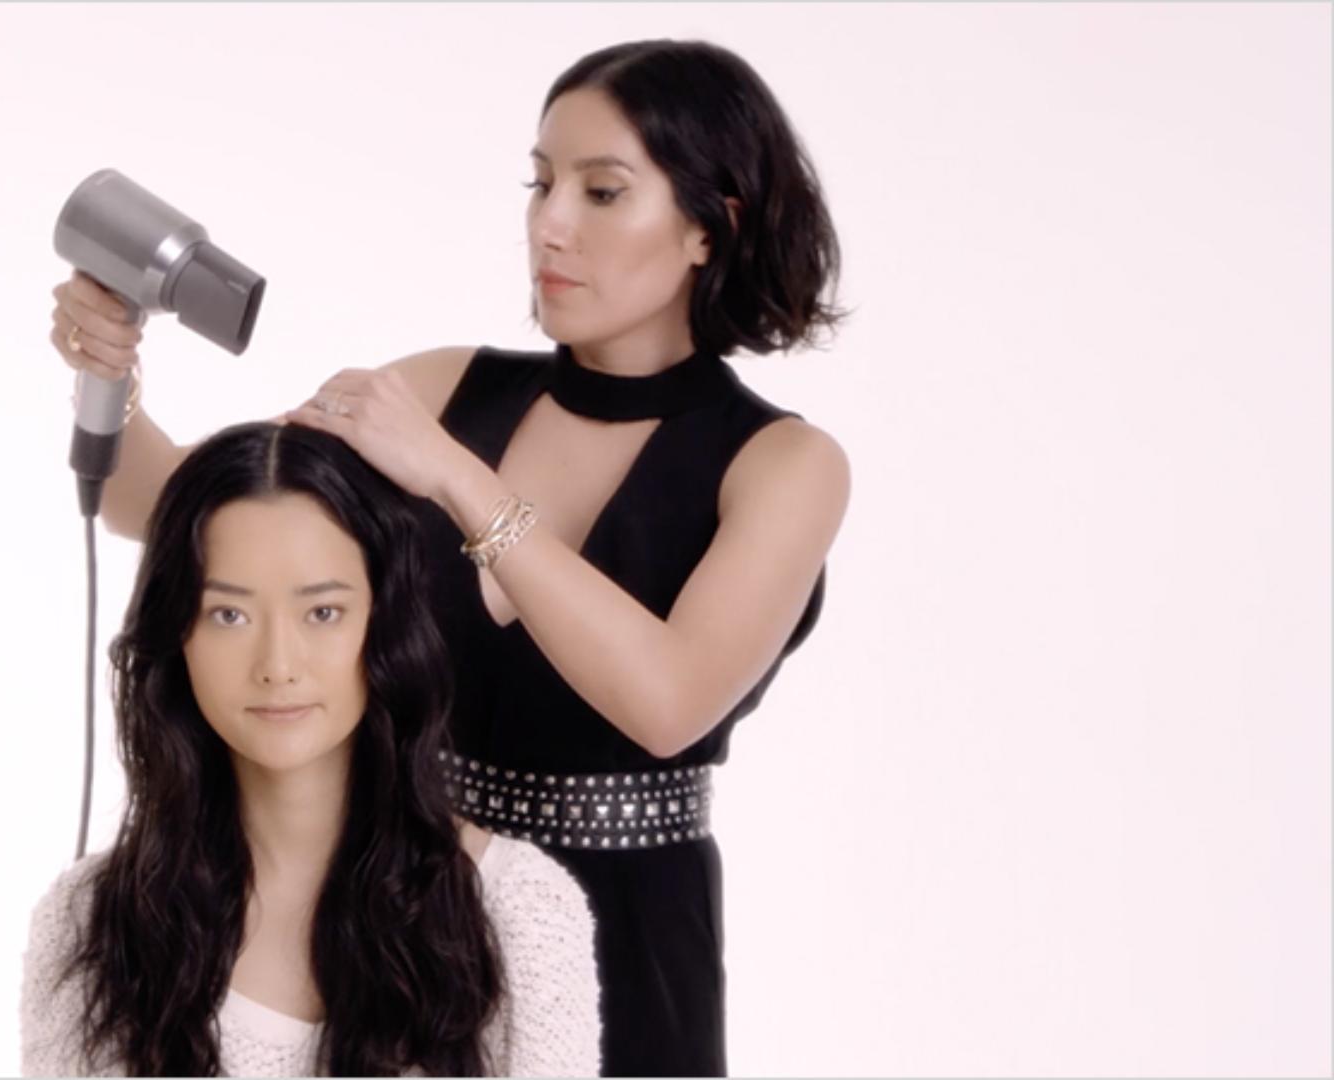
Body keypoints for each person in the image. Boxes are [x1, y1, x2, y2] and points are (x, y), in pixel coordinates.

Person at [50, 38, 850, 1077]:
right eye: (542, 182)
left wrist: (457, 478)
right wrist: (110, 381)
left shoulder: (784, 465)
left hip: (636, 922)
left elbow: (666, 703)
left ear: (711, 224)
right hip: (414, 902)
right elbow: (174, 508)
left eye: (602, 192)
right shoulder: (448, 387)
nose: (550, 224)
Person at [19, 421, 602, 1077]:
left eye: (322, 612)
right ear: (176, 636)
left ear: (383, 624)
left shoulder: (522, 912)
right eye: (229, 615)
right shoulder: (86, 920)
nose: (277, 664)